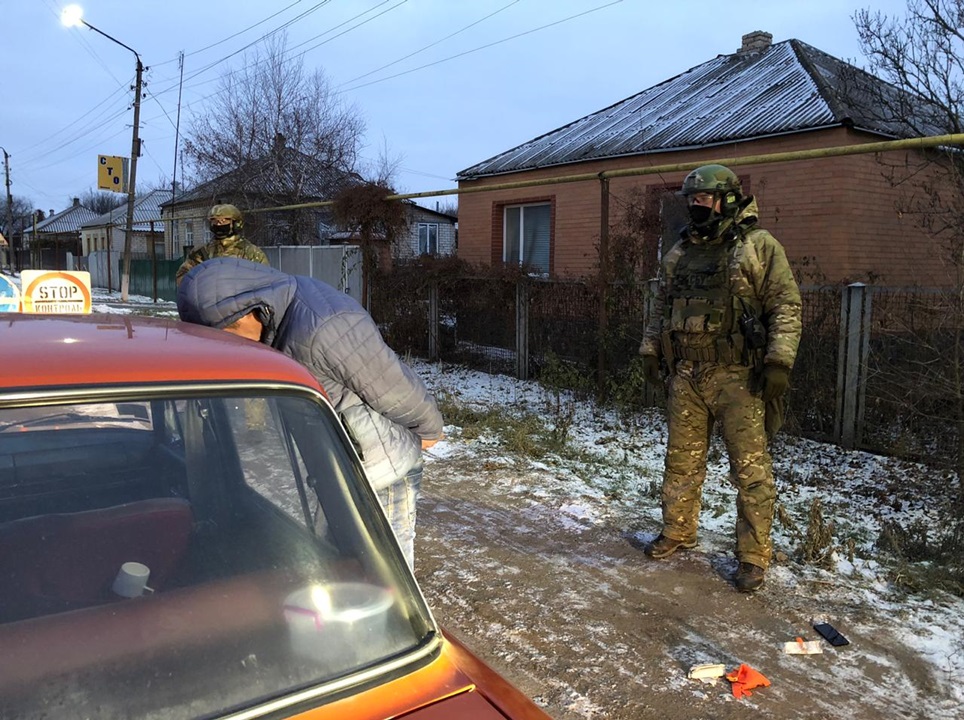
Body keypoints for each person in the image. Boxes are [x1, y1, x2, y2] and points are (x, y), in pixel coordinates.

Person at [176, 257, 443, 569]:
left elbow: (392, 385)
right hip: (337, 459)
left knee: (384, 563)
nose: (228, 350)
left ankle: (401, 618)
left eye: (227, 337)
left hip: (381, 466)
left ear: (249, 312)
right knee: (338, 555)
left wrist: (429, 430)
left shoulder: (324, 324)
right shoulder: (279, 316)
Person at [639, 164, 802, 592]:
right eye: (691, 199)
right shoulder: (680, 251)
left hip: (738, 378)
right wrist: (651, 350)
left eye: (703, 199)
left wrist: (778, 363)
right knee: (681, 462)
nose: (695, 206)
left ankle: (752, 556)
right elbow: (660, 307)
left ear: (727, 199)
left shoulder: (758, 247)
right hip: (687, 374)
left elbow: (785, 306)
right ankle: (678, 530)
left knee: (750, 471)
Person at [175, 204, 269, 285]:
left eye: (224, 221)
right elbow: (183, 277)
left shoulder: (251, 252)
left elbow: (265, 280)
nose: (219, 224)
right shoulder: (201, 253)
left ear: (236, 223)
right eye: (215, 221)